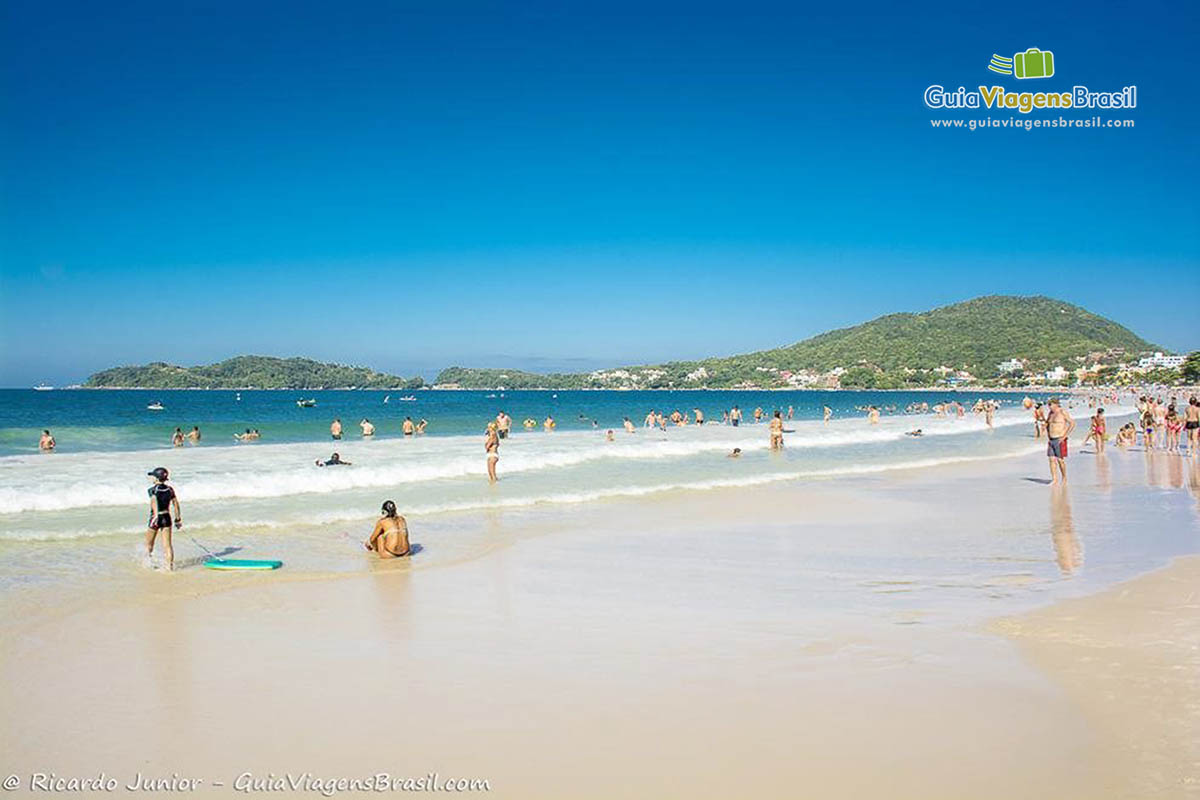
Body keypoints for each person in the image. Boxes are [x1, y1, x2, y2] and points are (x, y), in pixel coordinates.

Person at [145, 467, 181, 571]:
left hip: (156, 518)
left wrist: (155, 515)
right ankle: (169, 567)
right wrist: (178, 519)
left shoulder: (152, 490)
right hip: (167, 517)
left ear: (156, 478)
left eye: (153, 476)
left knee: (149, 544)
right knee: (167, 545)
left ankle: (148, 564)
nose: (151, 478)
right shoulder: (170, 489)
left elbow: (154, 500)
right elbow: (175, 503)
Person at [1045, 398, 1075, 486]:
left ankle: (1064, 478)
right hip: (1051, 439)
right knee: (1051, 459)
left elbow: (1072, 423)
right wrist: (1047, 433)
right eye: (1048, 405)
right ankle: (1054, 479)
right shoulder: (1050, 413)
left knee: (1060, 460)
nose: (1049, 407)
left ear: (1056, 404)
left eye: (1050, 405)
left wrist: (1065, 436)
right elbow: (1048, 424)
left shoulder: (1062, 412)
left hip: (1059, 439)